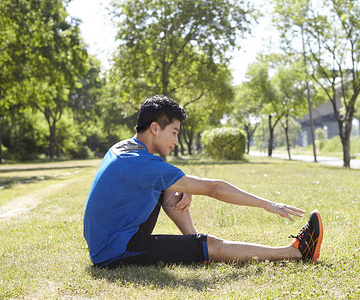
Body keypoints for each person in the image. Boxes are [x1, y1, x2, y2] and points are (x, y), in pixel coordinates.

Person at [83, 95, 323, 268]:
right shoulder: (140, 164)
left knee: (169, 189)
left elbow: (159, 177)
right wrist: (268, 204)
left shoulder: (126, 148)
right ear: (155, 128)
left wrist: (178, 185)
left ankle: (197, 248)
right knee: (215, 244)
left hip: (111, 236)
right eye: (174, 132)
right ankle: (295, 253)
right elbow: (213, 188)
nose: (176, 141)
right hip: (116, 249)